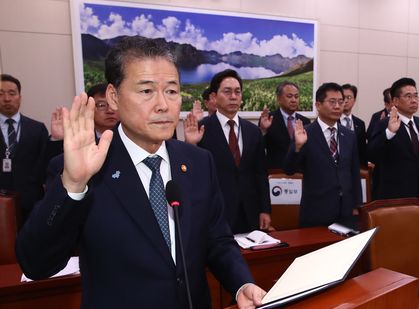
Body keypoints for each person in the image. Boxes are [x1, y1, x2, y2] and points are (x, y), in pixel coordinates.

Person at [16, 36, 265, 309]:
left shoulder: (198, 162)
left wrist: (242, 284)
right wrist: (73, 185)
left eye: (171, 91)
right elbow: (37, 264)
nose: (163, 104)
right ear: (114, 96)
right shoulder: (84, 169)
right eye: (146, 91)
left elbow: (218, 241)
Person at [183, 69, 271, 234]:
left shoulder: (253, 131)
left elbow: (260, 174)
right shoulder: (202, 128)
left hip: (249, 212)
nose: (233, 96)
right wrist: (190, 145)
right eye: (227, 91)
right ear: (214, 97)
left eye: (237, 92)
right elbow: (192, 175)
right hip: (215, 211)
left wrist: (265, 209)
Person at [283, 82, 362, 228]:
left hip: (345, 212)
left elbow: (354, 173)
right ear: (318, 105)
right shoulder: (305, 133)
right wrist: (298, 146)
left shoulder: (349, 135)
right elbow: (289, 169)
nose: (338, 106)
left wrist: (357, 206)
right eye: (332, 102)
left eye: (341, 102)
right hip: (316, 211)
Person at [367, 78, 419, 199]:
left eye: (416, 96)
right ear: (395, 101)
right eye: (408, 96)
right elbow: (372, 154)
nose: (414, 100)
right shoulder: (385, 124)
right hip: (393, 195)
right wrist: (389, 133)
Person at [0, 74, 49, 223]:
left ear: (20, 97)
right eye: (0, 94)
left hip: (31, 203)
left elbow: (45, 166)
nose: (7, 99)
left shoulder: (37, 129)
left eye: (12, 93)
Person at [259, 81, 310, 170]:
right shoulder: (268, 119)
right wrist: (263, 130)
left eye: (296, 96)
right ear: (279, 99)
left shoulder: (305, 121)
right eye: (289, 96)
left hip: (299, 172)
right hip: (275, 173)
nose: (294, 100)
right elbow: (259, 148)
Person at [341, 83, 367, 167]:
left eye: (349, 97)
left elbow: (362, 150)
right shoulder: (332, 121)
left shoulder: (360, 123)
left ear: (354, 100)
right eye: (343, 98)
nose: (346, 101)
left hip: (356, 168)